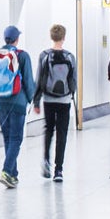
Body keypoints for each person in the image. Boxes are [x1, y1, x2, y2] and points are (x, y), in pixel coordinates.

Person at [0, 26, 36, 188]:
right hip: (18, 102)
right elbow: (29, 81)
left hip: (0, 103)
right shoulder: (22, 56)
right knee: (16, 138)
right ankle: (6, 170)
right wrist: (33, 99)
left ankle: (13, 175)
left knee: (8, 138)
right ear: (16, 39)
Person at [33, 25, 78, 182]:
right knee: (62, 133)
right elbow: (73, 80)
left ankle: (46, 160)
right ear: (64, 37)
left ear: (51, 37)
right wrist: (72, 94)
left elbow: (39, 79)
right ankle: (59, 170)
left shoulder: (44, 55)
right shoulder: (70, 57)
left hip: (48, 99)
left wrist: (36, 100)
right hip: (65, 100)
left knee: (49, 130)